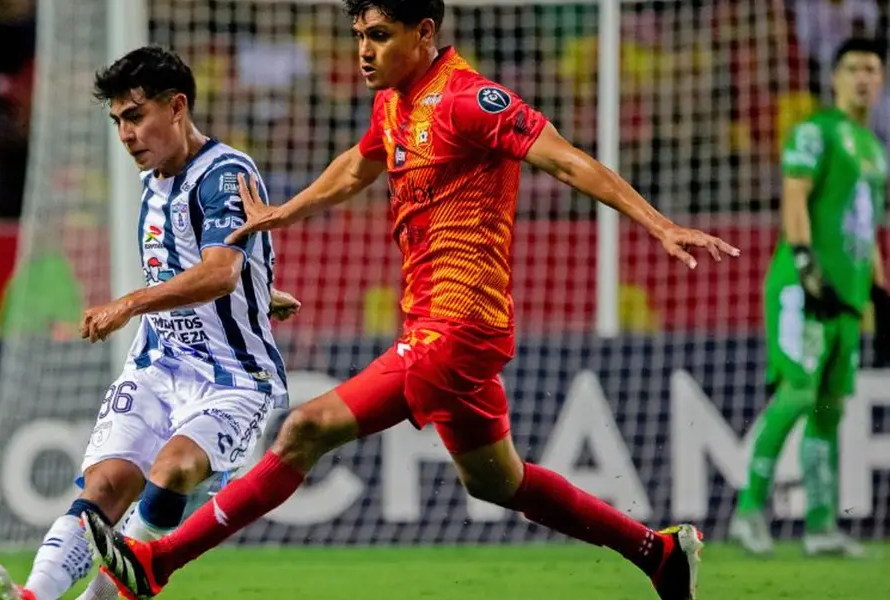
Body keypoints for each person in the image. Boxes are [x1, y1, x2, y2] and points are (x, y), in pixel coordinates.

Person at [85, 2, 740, 600]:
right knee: (496, 482)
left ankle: (157, 563)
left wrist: (657, 222)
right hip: (436, 322)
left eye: (378, 36)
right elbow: (356, 166)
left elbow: (565, 160)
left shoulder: (468, 100)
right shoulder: (394, 103)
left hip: (460, 326)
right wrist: (285, 212)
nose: (364, 51)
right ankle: (659, 554)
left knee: (306, 430)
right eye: (358, 37)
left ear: (424, 33)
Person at [0, 45, 301, 600]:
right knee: (106, 485)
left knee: (172, 470)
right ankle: (32, 595)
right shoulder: (152, 183)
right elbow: (205, 266)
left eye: (135, 115)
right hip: (157, 364)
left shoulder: (224, 173)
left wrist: (128, 303)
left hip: (233, 380)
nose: (126, 134)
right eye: (118, 121)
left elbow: (219, 272)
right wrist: (260, 290)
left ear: (177, 107)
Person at [731, 37, 888, 559]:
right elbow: (794, 196)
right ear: (835, 78)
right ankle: (748, 511)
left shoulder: (873, 148)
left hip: (847, 300)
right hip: (804, 288)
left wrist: (879, 291)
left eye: (872, 68)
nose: (863, 77)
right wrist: (804, 261)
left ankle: (821, 527)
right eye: (853, 68)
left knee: (829, 410)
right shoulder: (815, 132)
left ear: (881, 80)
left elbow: (865, 227)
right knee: (798, 392)